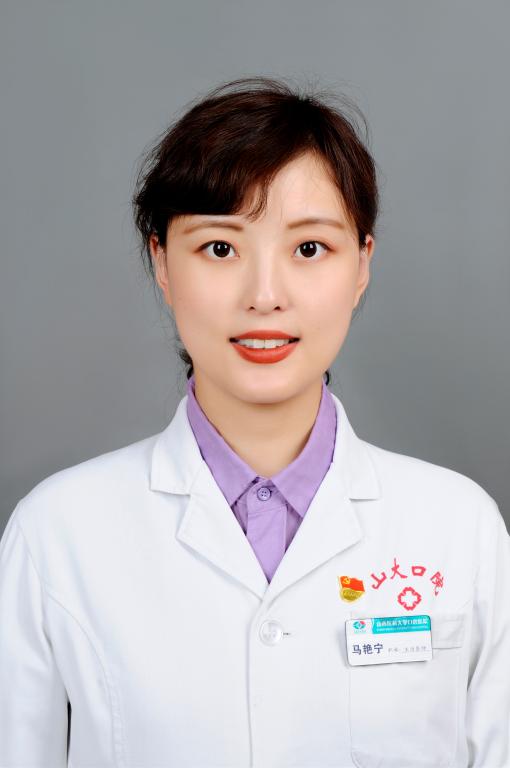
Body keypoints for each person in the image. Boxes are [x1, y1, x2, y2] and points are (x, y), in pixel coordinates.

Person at [0, 76, 508, 768]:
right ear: (162, 263)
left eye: (309, 249)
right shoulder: (57, 533)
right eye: (220, 248)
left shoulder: (461, 529)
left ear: (362, 264)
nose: (264, 296)